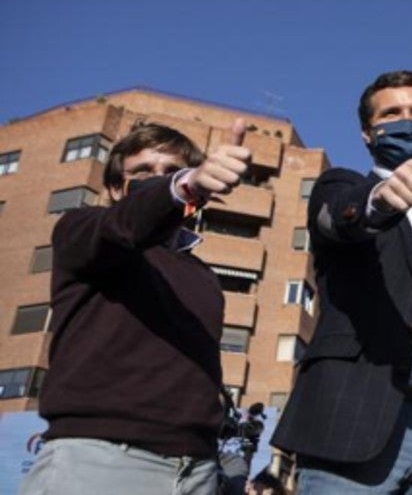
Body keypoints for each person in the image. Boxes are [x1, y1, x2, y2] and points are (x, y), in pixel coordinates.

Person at [271, 70, 412, 493]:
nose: (406, 120)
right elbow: (336, 218)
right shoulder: (343, 187)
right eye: (391, 113)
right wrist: (379, 202)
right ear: (367, 133)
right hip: (352, 419)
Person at [21, 120, 251, 495]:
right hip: (101, 460)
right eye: (143, 171)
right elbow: (123, 226)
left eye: (171, 172)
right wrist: (184, 185)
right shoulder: (82, 230)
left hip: (196, 470)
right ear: (115, 187)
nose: (158, 179)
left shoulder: (205, 277)